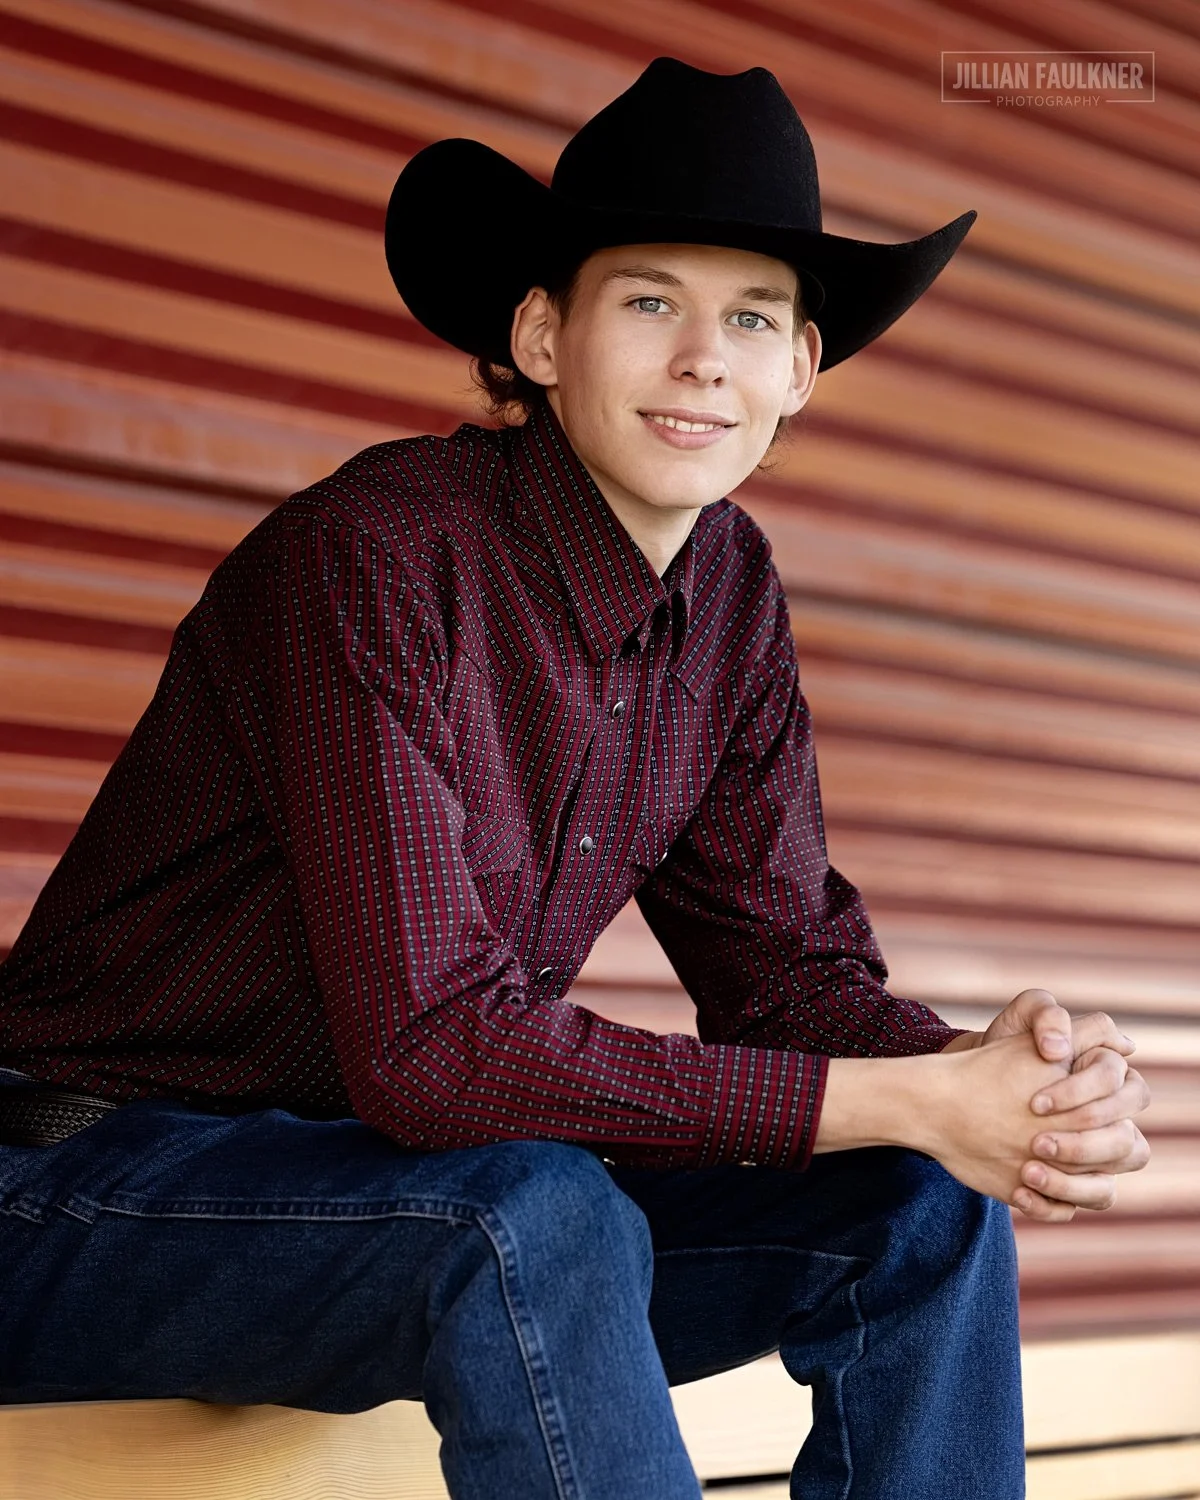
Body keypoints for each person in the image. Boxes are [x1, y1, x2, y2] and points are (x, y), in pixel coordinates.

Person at [0, 57, 1149, 1499]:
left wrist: (984, 1081)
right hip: (83, 1197)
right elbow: (435, 1052)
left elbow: (789, 980)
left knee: (919, 1203)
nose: (702, 360)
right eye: (651, 302)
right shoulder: (374, 561)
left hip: (385, 1208)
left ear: (800, 371)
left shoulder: (728, 595)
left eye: (750, 319)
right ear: (543, 334)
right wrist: (905, 1096)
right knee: (536, 1213)